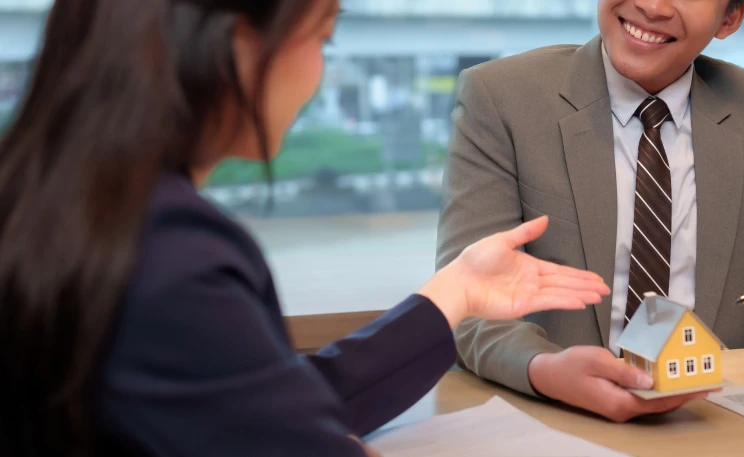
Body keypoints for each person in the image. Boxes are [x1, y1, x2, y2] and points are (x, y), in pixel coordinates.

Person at [0, 1, 611, 456]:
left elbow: (273, 398)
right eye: (322, 36)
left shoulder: (69, 207)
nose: (319, 69)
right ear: (235, 44)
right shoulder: (175, 259)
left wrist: (457, 292)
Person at [436, 0, 744, 423]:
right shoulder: (500, 97)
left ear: (730, 17)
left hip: (714, 425)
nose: (652, 6)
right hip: (550, 422)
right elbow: (464, 301)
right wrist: (543, 370)